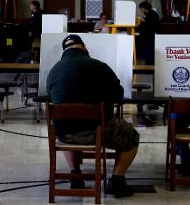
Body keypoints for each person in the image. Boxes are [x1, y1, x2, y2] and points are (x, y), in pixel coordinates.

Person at [47, 34, 139, 198]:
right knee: (131, 136)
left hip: (64, 135)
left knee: (67, 123)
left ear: (64, 52)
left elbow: (52, 97)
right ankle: (117, 180)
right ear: (84, 48)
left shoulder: (53, 71)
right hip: (96, 132)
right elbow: (118, 94)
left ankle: (76, 175)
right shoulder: (99, 67)